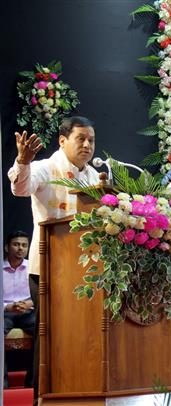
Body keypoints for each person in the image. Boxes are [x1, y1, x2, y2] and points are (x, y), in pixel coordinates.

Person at [7, 117, 100, 402]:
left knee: (83, 335)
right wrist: (23, 161)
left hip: (86, 270)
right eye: (80, 138)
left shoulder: (94, 177)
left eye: (91, 140)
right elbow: (20, 188)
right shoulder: (45, 167)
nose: (87, 145)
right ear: (62, 141)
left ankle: (79, 392)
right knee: (53, 338)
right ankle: (43, 398)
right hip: (49, 268)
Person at [3, 231, 35, 388]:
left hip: (27, 312)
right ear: (7, 248)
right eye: (16, 244)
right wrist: (9, 307)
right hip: (5, 312)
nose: (20, 248)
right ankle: (2, 384)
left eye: (24, 245)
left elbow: (39, 294)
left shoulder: (32, 268)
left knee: (45, 330)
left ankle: (34, 381)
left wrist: (29, 303)